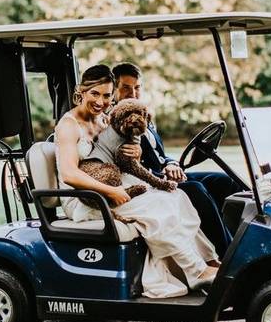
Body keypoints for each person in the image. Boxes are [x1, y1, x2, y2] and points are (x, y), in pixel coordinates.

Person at [54, 64, 219, 298]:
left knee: (177, 195)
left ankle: (209, 260)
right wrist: (111, 192)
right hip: (85, 196)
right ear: (81, 91)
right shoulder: (68, 125)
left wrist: (136, 154)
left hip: (115, 183)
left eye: (107, 95)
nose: (101, 101)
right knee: (158, 206)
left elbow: (120, 154)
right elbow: (70, 174)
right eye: (95, 94)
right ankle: (195, 272)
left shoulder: (104, 120)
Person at [112, 62, 243, 256]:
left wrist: (171, 164)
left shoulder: (144, 114)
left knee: (225, 182)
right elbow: (130, 164)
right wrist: (161, 175)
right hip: (148, 183)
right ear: (114, 90)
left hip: (164, 175)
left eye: (137, 88)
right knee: (196, 190)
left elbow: (161, 155)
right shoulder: (118, 121)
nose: (133, 93)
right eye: (126, 88)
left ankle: (235, 238)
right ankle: (227, 252)